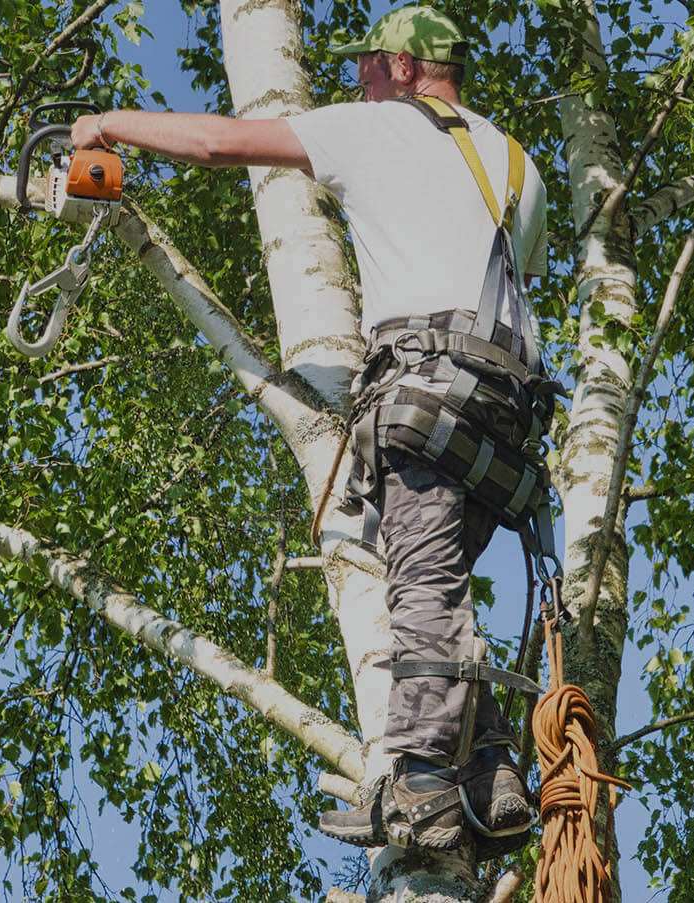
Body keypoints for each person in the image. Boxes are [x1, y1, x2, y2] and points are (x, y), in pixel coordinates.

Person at [70, 4, 550, 857]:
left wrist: (110, 124)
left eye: (367, 65)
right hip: (507, 422)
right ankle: (492, 769)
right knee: (436, 587)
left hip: (428, 402)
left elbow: (222, 143)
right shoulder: (518, 165)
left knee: (421, 592)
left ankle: (423, 786)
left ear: (404, 69)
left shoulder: (378, 130)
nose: (356, 80)